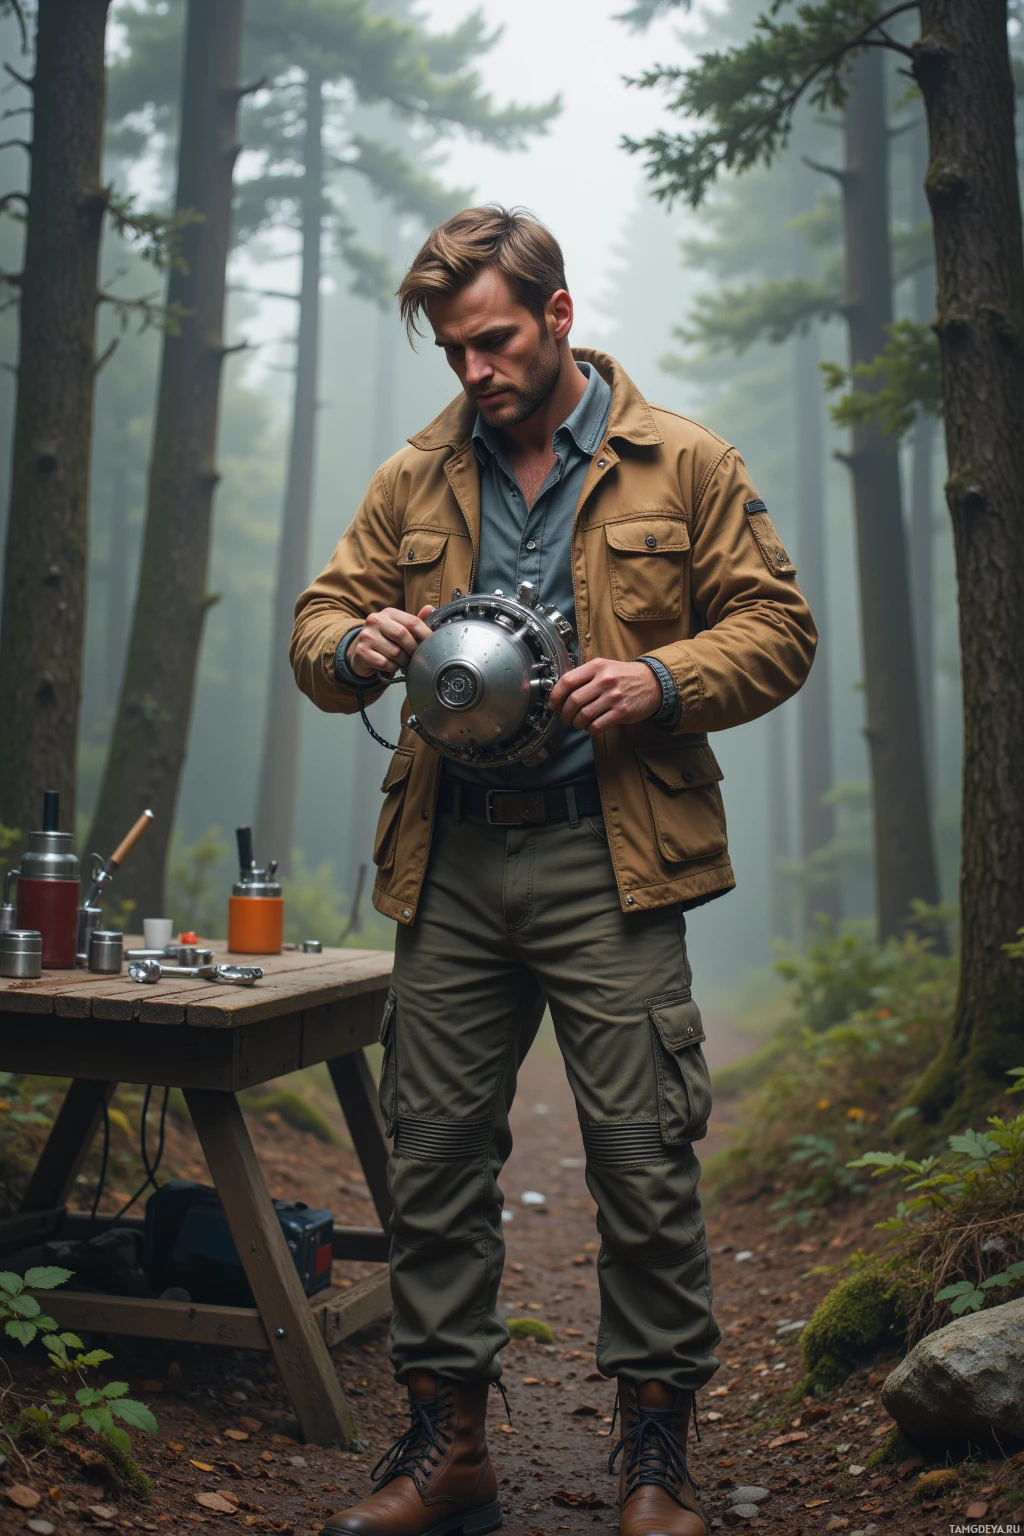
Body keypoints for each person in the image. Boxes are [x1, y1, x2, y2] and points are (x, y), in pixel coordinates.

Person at [291, 205, 816, 1536]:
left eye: (497, 340)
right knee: (433, 1160)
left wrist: (656, 678)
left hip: (611, 859)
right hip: (455, 859)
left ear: (560, 315)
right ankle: (446, 1448)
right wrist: (354, 650)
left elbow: (780, 628)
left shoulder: (681, 462)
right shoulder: (417, 478)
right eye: (455, 350)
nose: (476, 371)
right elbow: (321, 619)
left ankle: (653, 1464)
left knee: (641, 1157)